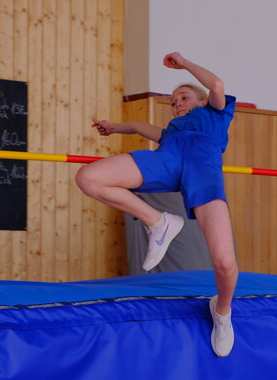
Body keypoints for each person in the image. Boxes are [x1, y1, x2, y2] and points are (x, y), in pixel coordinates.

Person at [75, 52, 238, 357]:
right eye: (173, 102)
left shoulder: (215, 115)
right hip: (167, 160)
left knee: (225, 263)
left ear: (201, 101)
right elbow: (138, 126)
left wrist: (184, 63)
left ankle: (222, 312)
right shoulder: (170, 133)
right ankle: (158, 221)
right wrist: (113, 127)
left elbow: (216, 84)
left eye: (184, 98)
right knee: (88, 178)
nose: (177, 104)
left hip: (202, 170)